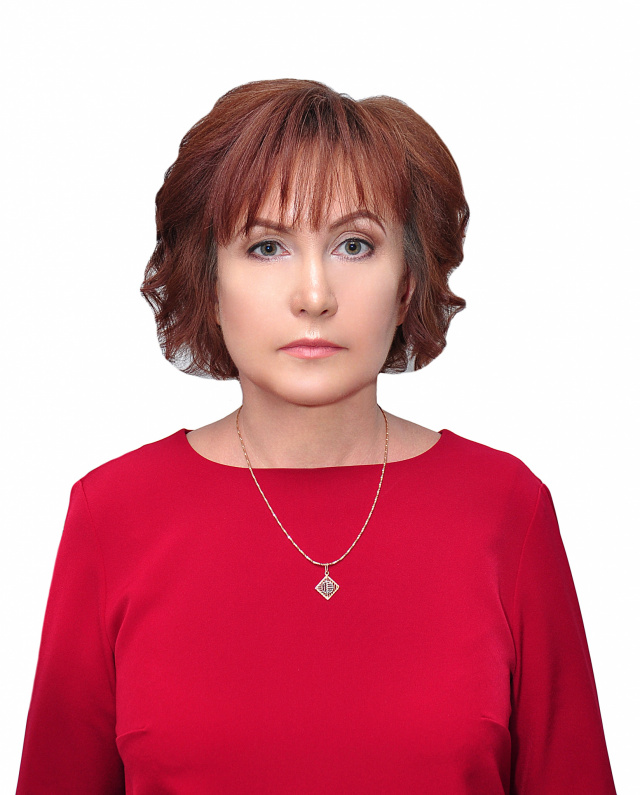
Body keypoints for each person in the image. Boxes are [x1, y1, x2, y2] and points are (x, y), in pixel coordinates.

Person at [16, 78, 616, 793]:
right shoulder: (113, 513)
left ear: (407, 283)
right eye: (267, 246)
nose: (314, 295)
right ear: (208, 283)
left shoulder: (505, 509)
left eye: (354, 245)